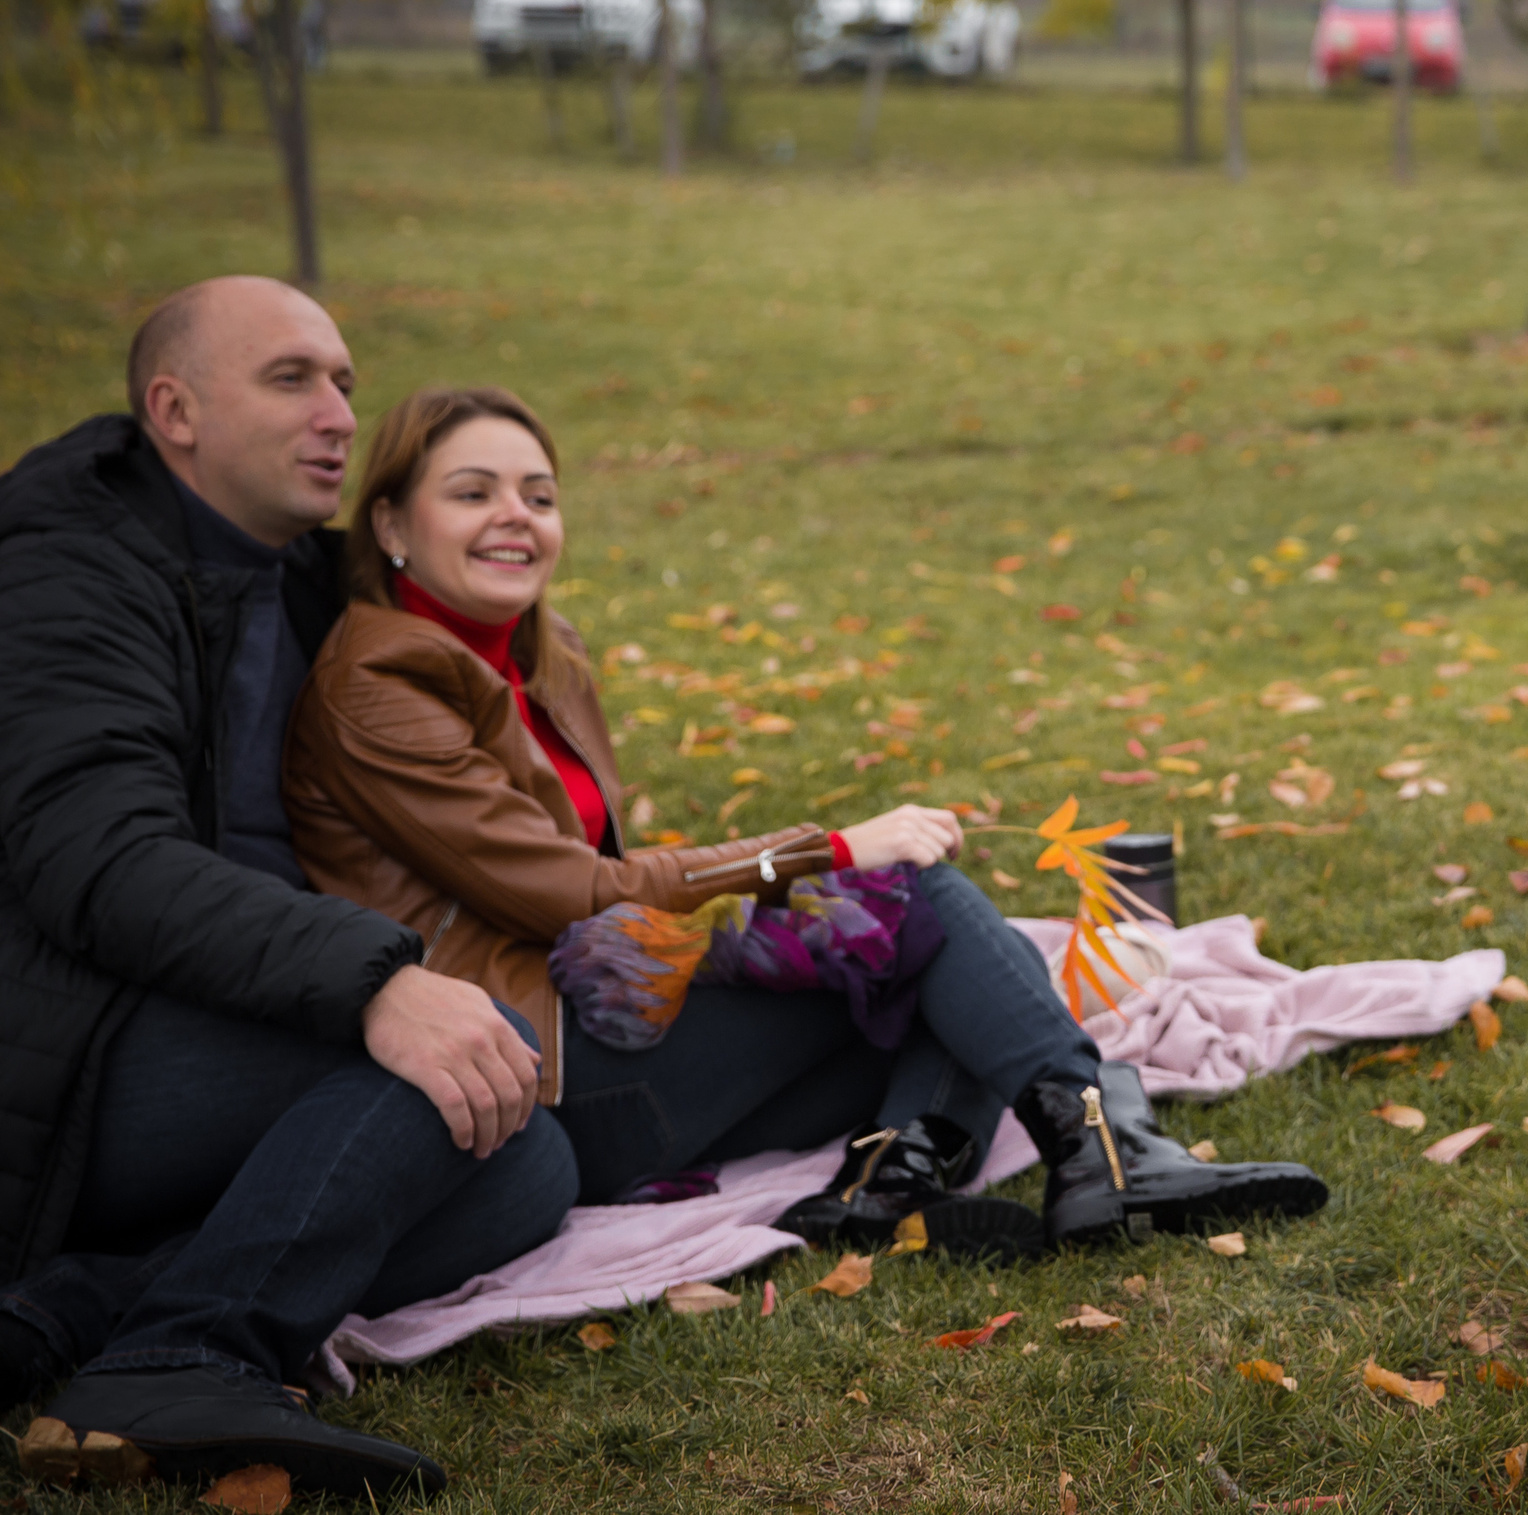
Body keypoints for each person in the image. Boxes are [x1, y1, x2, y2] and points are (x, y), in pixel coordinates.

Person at [283, 386, 1329, 1260]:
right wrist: (822, 853)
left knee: (966, 977)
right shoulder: (382, 682)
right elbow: (563, 890)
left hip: (608, 1016)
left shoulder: (535, 653)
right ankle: (1100, 1149)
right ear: (391, 525)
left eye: (540, 495)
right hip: (540, 1076)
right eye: (473, 492)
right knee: (918, 911)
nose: (516, 516)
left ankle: (888, 1182)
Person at [0, 278, 582, 1499]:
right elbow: (96, 859)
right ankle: (187, 1355)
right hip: (68, 1047)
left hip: (224, 1001)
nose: (338, 414)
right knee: (445, 1072)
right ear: (176, 411)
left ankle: (65, 1315)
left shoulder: (307, 580)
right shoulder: (66, 566)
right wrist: (373, 983)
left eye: (345, 385)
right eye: (291, 380)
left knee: (524, 1150)